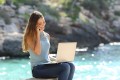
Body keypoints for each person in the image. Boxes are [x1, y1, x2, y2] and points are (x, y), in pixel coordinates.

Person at [22, 11, 75, 80]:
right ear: (34, 24)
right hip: (37, 69)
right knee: (65, 67)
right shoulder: (29, 37)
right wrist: (38, 34)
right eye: (39, 23)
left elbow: (46, 54)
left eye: (43, 22)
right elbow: (38, 52)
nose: (43, 25)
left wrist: (57, 57)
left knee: (71, 65)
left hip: (47, 65)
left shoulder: (47, 36)